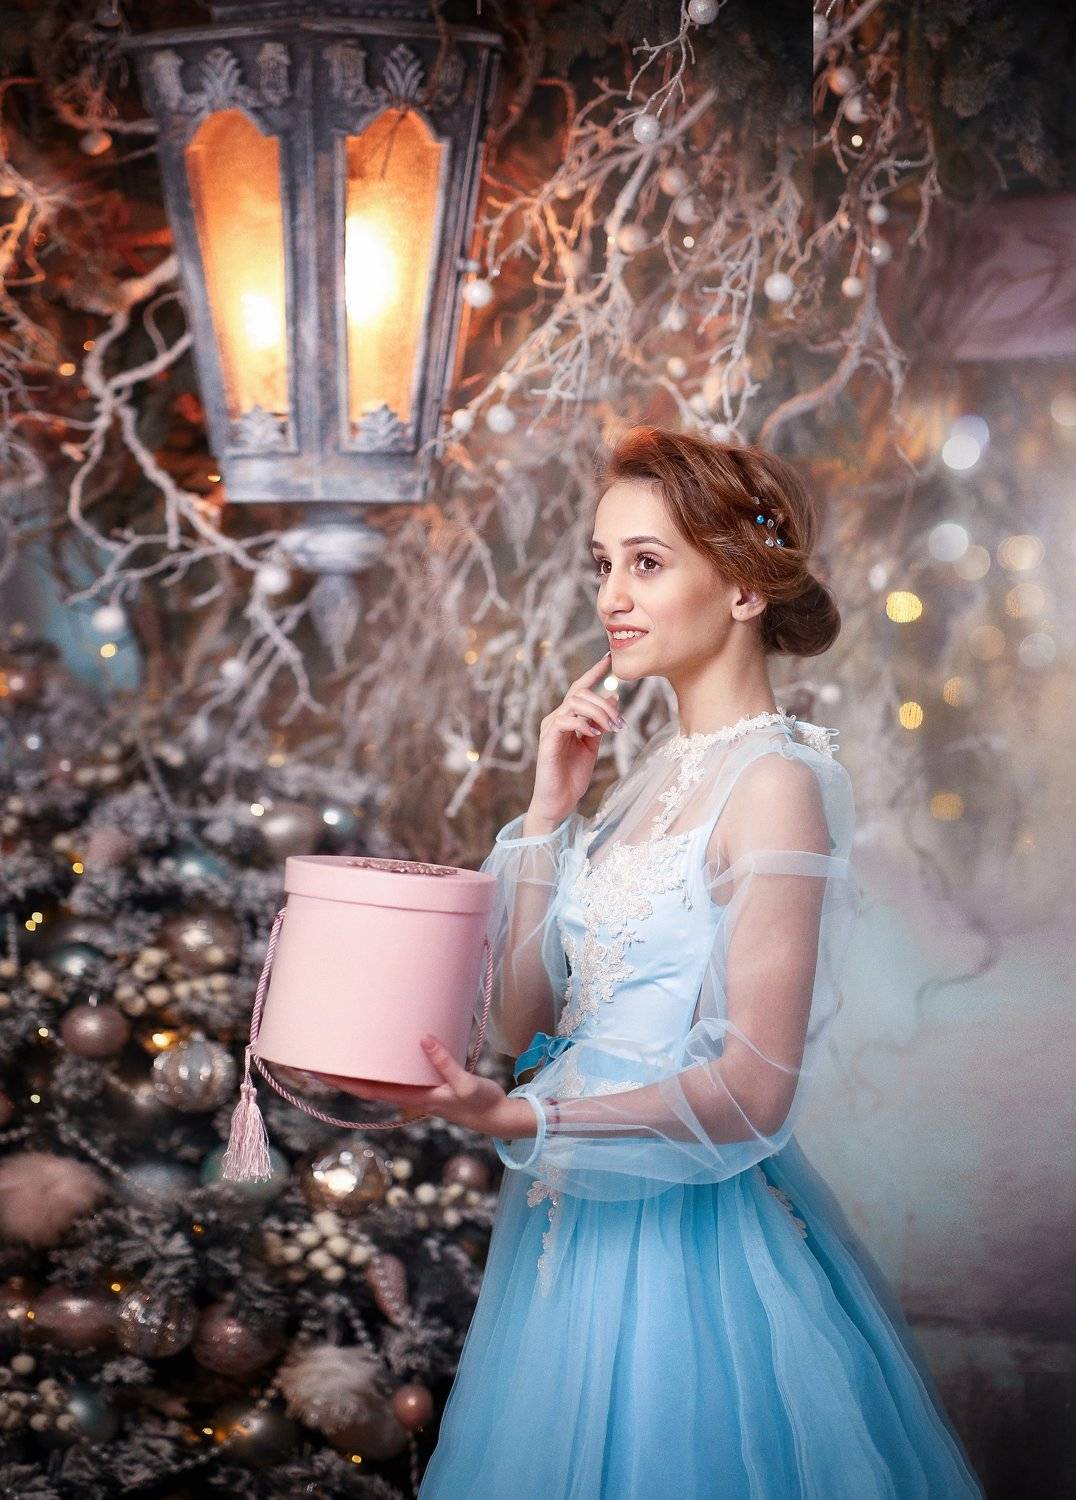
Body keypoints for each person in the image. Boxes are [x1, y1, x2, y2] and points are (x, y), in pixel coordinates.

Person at [319, 426, 985, 1497]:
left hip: (684, 1250)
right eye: (603, 564)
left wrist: (525, 1121)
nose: (611, 598)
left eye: (647, 562)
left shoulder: (775, 784)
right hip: (570, 1224)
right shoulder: (648, 782)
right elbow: (530, 1026)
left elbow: (755, 1090)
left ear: (744, 589)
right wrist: (550, 809)